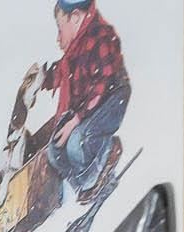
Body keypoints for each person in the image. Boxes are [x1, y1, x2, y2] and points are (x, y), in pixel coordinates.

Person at [42, 0, 130, 205]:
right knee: (54, 151)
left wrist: (76, 120)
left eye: (60, 28)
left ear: (75, 18)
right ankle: (86, 184)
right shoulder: (75, 49)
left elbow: (103, 86)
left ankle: (108, 151)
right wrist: (42, 78)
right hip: (87, 106)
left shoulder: (101, 37)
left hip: (111, 99)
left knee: (76, 141)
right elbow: (64, 73)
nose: (58, 38)